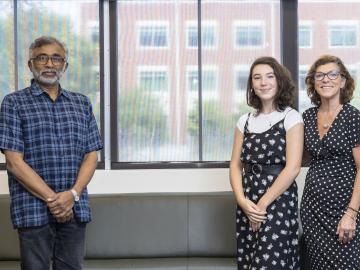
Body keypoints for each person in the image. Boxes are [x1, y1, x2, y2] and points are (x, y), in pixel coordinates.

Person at [0, 36, 102, 270]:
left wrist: (72, 195)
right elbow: (14, 162)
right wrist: (54, 200)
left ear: (64, 65)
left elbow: (91, 156)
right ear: (30, 64)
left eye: (56, 58)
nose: (49, 64)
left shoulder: (81, 103)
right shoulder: (14, 103)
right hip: (32, 209)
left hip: (75, 207)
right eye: (42, 58)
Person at [229, 56, 303, 269]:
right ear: (251, 84)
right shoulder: (245, 120)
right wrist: (243, 202)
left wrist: (262, 205)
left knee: (270, 263)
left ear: (279, 80)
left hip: (277, 201)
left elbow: (293, 168)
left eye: (270, 76)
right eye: (257, 78)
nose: (264, 82)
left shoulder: (291, 117)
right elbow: (235, 165)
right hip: (248, 201)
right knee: (251, 261)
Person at [301, 55, 360, 269]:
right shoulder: (306, 117)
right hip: (312, 209)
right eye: (320, 75)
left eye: (333, 74)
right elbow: (303, 158)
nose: (326, 79)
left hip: (344, 209)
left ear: (343, 81)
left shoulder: (353, 117)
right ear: (314, 83)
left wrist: (351, 214)